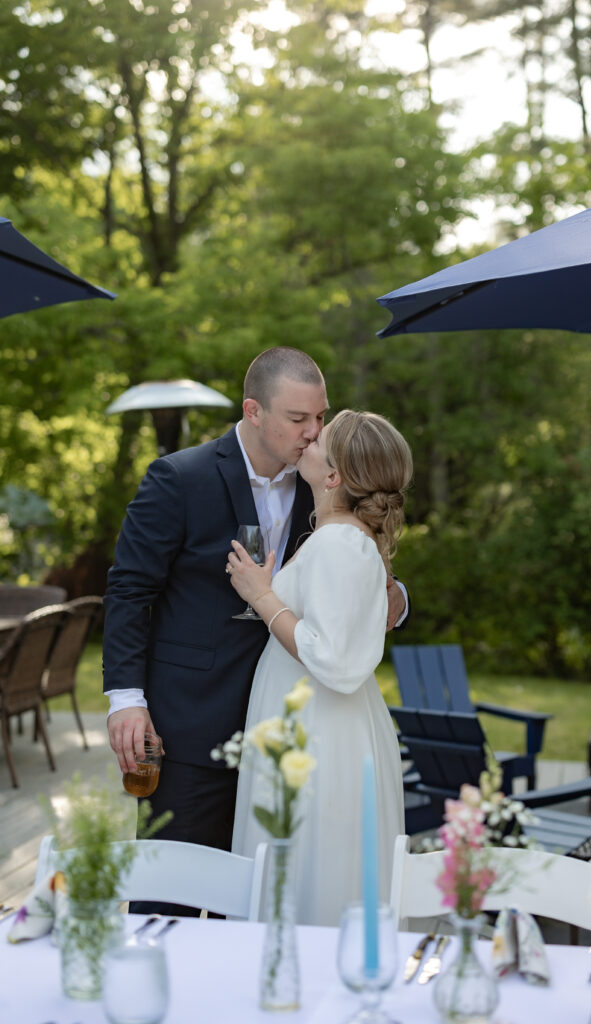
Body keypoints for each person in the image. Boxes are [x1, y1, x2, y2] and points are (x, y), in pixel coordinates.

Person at [102, 347, 407, 914]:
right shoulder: (179, 478)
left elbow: (349, 575)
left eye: (320, 418)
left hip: (291, 734)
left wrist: (394, 597)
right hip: (191, 728)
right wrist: (126, 699)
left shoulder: (325, 486)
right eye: (299, 420)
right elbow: (129, 592)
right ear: (254, 411)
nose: (313, 432)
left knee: (258, 901)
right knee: (171, 893)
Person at [228, 409, 412, 926]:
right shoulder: (346, 539)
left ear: (332, 477)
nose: (309, 437)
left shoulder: (336, 543)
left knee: (312, 861)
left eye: (320, 439)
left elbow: (329, 656)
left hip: (319, 733)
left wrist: (263, 597)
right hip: (331, 725)